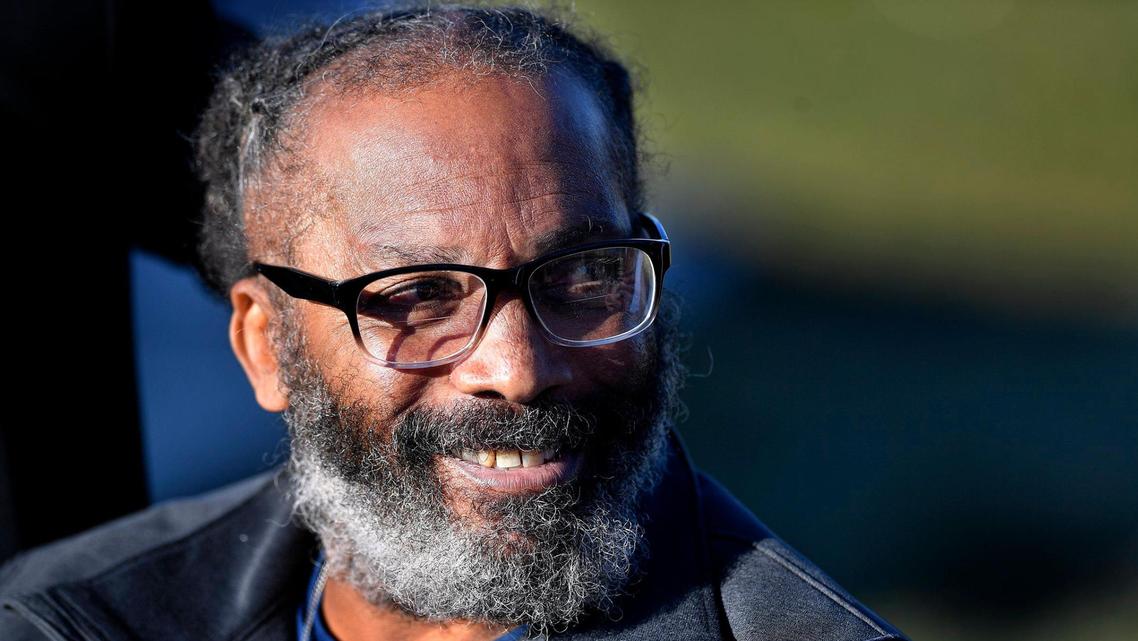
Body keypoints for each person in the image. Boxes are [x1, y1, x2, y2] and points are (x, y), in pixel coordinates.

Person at [0, 4, 909, 640]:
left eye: (584, 275)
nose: (518, 368)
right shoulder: (62, 615)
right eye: (419, 295)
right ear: (266, 345)